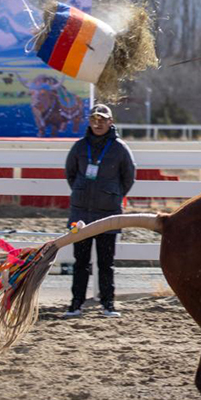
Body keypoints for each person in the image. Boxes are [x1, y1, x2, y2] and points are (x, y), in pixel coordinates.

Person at [64, 104, 136, 318]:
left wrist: (111, 195)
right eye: (95, 119)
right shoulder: (79, 147)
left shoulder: (120, 148)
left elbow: (128, 178)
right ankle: (76, 304)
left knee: (106, 263)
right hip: (81, 215)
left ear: (110, 122)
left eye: (102, 119)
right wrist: (82, 193)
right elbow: (70, 174)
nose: (98, 123)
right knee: (81, 263)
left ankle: (108, 304)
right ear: (89, 121)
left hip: (108, 215)